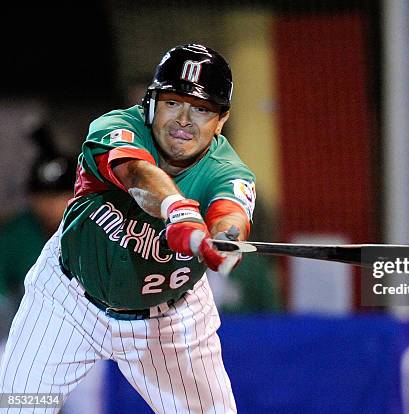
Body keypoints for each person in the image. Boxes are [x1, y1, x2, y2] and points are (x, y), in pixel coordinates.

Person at [0, 43, 255, 414]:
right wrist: (177, 210)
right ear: (151, 103)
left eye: (201, 109)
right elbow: (136, 173)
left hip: (169, 321)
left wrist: (225, 238)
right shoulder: (116, 127)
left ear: (221, 119)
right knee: (17, 408)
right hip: (69, 301)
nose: (184, 119)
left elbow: (231, 211)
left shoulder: (227, 170)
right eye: (172, 102)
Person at [0, 125, 76, 339]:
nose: (50, 206)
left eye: (60, 195)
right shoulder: (15, 234)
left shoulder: (99, 229)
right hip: (25, 338)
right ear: (31, 198)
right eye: (43, 197)